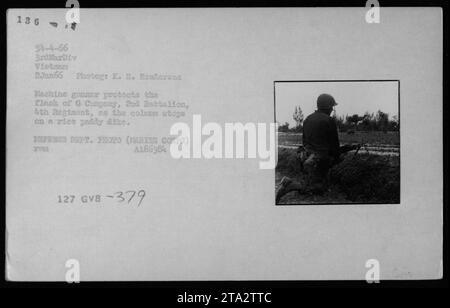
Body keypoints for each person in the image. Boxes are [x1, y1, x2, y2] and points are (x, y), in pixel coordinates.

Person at [276, 94, 356, 203]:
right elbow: (334, 148)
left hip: (306, 159)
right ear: (327, 107)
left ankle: (317, 180)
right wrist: (343, 153)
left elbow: (304, 142)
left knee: (315, 181)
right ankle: (290, 184)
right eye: (332, 106)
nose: (332, 109)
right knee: (317, 190)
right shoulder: (329, 120)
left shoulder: (308, 119)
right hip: (319, 160)